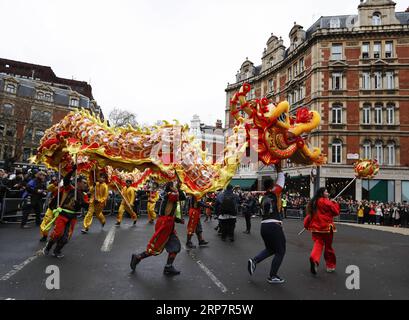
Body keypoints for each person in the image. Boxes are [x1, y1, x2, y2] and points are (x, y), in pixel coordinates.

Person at [130, 182, 186, 276]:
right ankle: (138, 257)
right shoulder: (171, 194)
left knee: (175, 246)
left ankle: (168, 266)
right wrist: (178, 189)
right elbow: (181, 196)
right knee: (156, 247)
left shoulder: (169, 194)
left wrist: (177, 220)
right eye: (175, 185)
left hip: (168, 224)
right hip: (165, 225)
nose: (177, 187)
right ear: (171, 187)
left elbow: (169, 211)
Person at [247, 163, 286, 284]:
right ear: (272, 186)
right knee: (280, 251)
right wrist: (279, 168)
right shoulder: (273, 193)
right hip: (274, 225)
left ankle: (254, 261)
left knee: (270, 249)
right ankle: (273, 276)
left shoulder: (263, 197)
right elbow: (281, 181)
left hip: (264, 225)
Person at [41, 168, 88, 258]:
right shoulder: (69, 188)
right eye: (84, 182)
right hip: (63, 214)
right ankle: (48, 246)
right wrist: (72, 170)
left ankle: (57, 251)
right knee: (57, 233)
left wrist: (81, 203)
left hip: (72, 217)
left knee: (66, 237)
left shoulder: (83, 195)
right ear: (78, 182)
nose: (85, 185)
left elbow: (86, 206)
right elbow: (66, 180)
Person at [303, 187, 340, 275]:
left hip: (316, 228)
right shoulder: (326, 201)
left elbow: (309, 215)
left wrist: (306, 225)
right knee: (328, 247)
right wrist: (335, 203)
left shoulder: (314, 202)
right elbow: (336, 212)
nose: (328, 193)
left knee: (318, 244)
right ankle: (330, 266)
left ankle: (314, 258)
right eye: (326, 192)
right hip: (327, 227)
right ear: (322, 193)